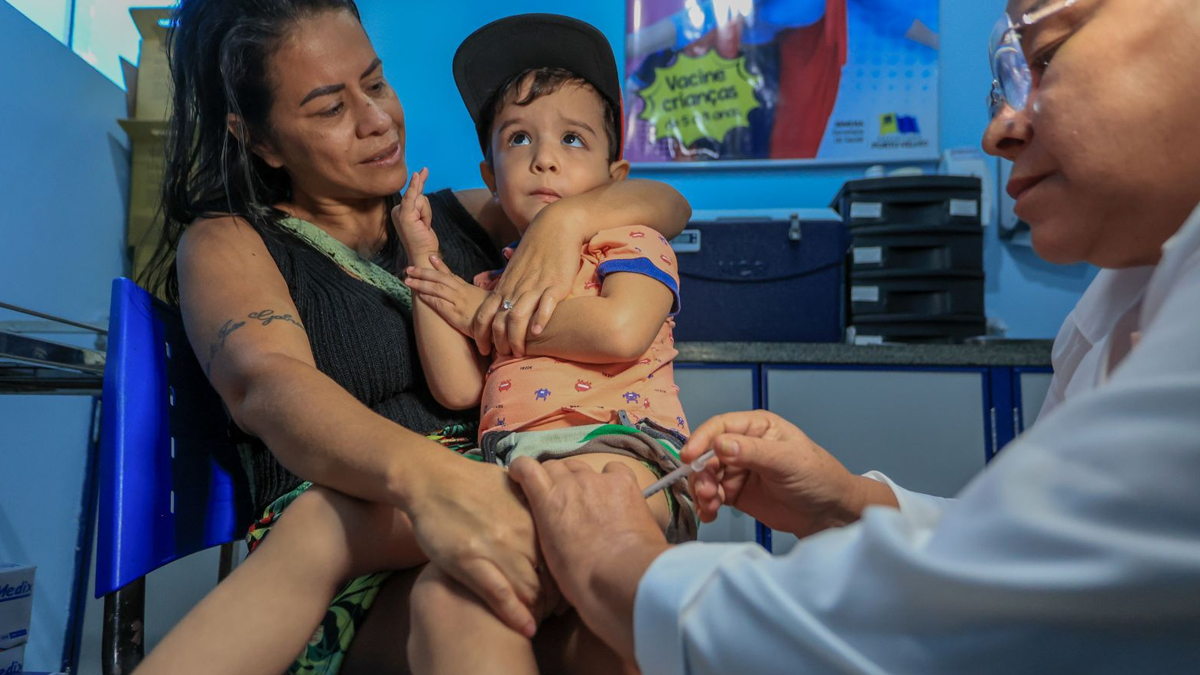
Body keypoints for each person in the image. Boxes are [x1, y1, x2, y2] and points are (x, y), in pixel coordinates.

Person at [507, 0, 1200, 672]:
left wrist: (615, 560)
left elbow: (963, 619)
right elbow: (1038, 554)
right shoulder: (1125, 298)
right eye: (1006, 78)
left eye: (1046, 53)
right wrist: (847, 500)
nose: (999, 130)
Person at [134, 1, 691, 674]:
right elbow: (268, 385)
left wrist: (564, 222)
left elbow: (663, 202)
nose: (377, 121)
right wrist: (438, 485)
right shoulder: (230, 243)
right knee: (486, 608)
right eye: (329, 108)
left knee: (612, 636)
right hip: (370, 537)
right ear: (258, 138)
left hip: (507, 496)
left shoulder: (471, 217)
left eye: (375, 82)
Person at [391, 14, 697, 674]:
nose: (544, 156)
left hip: (617, 452)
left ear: (616, 176)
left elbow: (620, 330)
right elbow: (459, 387)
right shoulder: (493, 280)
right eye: (519, 138)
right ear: (490, 174)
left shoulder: (630, 244)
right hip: (515, 472)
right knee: (449, 593)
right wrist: (425, 262)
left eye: (573, 139)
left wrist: (485, 313)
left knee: (624, 597)